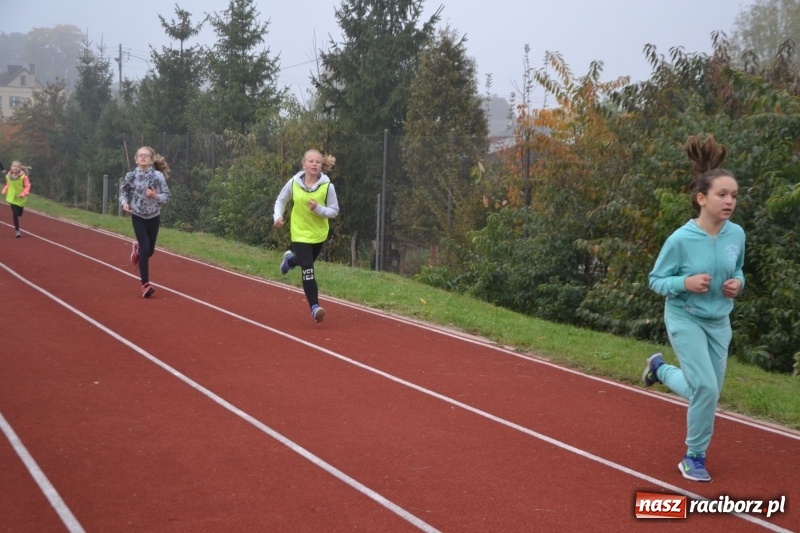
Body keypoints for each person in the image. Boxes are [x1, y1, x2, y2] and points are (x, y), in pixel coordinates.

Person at [642, 134, 745, 483]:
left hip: (719, 321)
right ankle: (694, 457)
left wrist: (738, 284)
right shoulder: (680, 239)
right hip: (684, 317)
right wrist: (684, 283)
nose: (729, 201)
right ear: (702, 198)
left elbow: (739, 270)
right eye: (722, 194)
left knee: (706, 392)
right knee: (706, 390)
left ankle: (660, 369)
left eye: (734, 195)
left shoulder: (737, 235)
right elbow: (656, 280)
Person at [273, 149, 340, 323]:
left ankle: (289, 261)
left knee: (304, 261)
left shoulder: (327, 186)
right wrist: (277, 217)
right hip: (299, 232)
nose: (314, 164)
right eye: (311, 161)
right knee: (308, 267)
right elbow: (281, 200)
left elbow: (334, 211)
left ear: (321, 166)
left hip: (318, 234)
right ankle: (315, 308)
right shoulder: (294, 183)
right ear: (303, 164)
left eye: (318, 162)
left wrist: (318, 209)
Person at [119, 146, 171, 298]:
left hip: (154, 216)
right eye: (140, 155)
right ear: (136, 159)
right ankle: (145, 285)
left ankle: (137, 248)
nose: (143, 157)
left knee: (149, 251)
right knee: (145, 248)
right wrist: (124, 203)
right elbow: (123, 192)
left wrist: (155, 196)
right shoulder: (130, 176)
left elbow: (167, 196)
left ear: (151, 160)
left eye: (146, 155)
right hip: (138, 215)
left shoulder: (158, 176)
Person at [3, 160, 32, 238]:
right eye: (14, 166)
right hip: (12, 197)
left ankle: (17, 227)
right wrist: (4, 190)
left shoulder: (24, 177)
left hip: (20, 197)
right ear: (11, 167)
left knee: (19, 213)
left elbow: (27, 186)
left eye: (18, 167)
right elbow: (8, 184)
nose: (16, 168)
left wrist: (23, 194)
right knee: (15, 213)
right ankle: (17, 231)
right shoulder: (8, 176)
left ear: (20, 168)